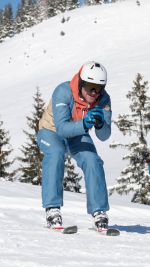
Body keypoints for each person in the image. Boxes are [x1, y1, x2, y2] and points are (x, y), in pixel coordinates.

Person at [37, 61, 112, 231]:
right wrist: (85, 124)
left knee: (92, 160)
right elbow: (62, 129)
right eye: (91, 87)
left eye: (99, 87)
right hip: (51, 131)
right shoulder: (63, 91)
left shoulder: (103, 99)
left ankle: (99, 211)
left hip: (78, 132)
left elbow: (104, 136)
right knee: (55, 154)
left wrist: (100, 125)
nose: (95, 92)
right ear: (81, 83)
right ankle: (52, 209)